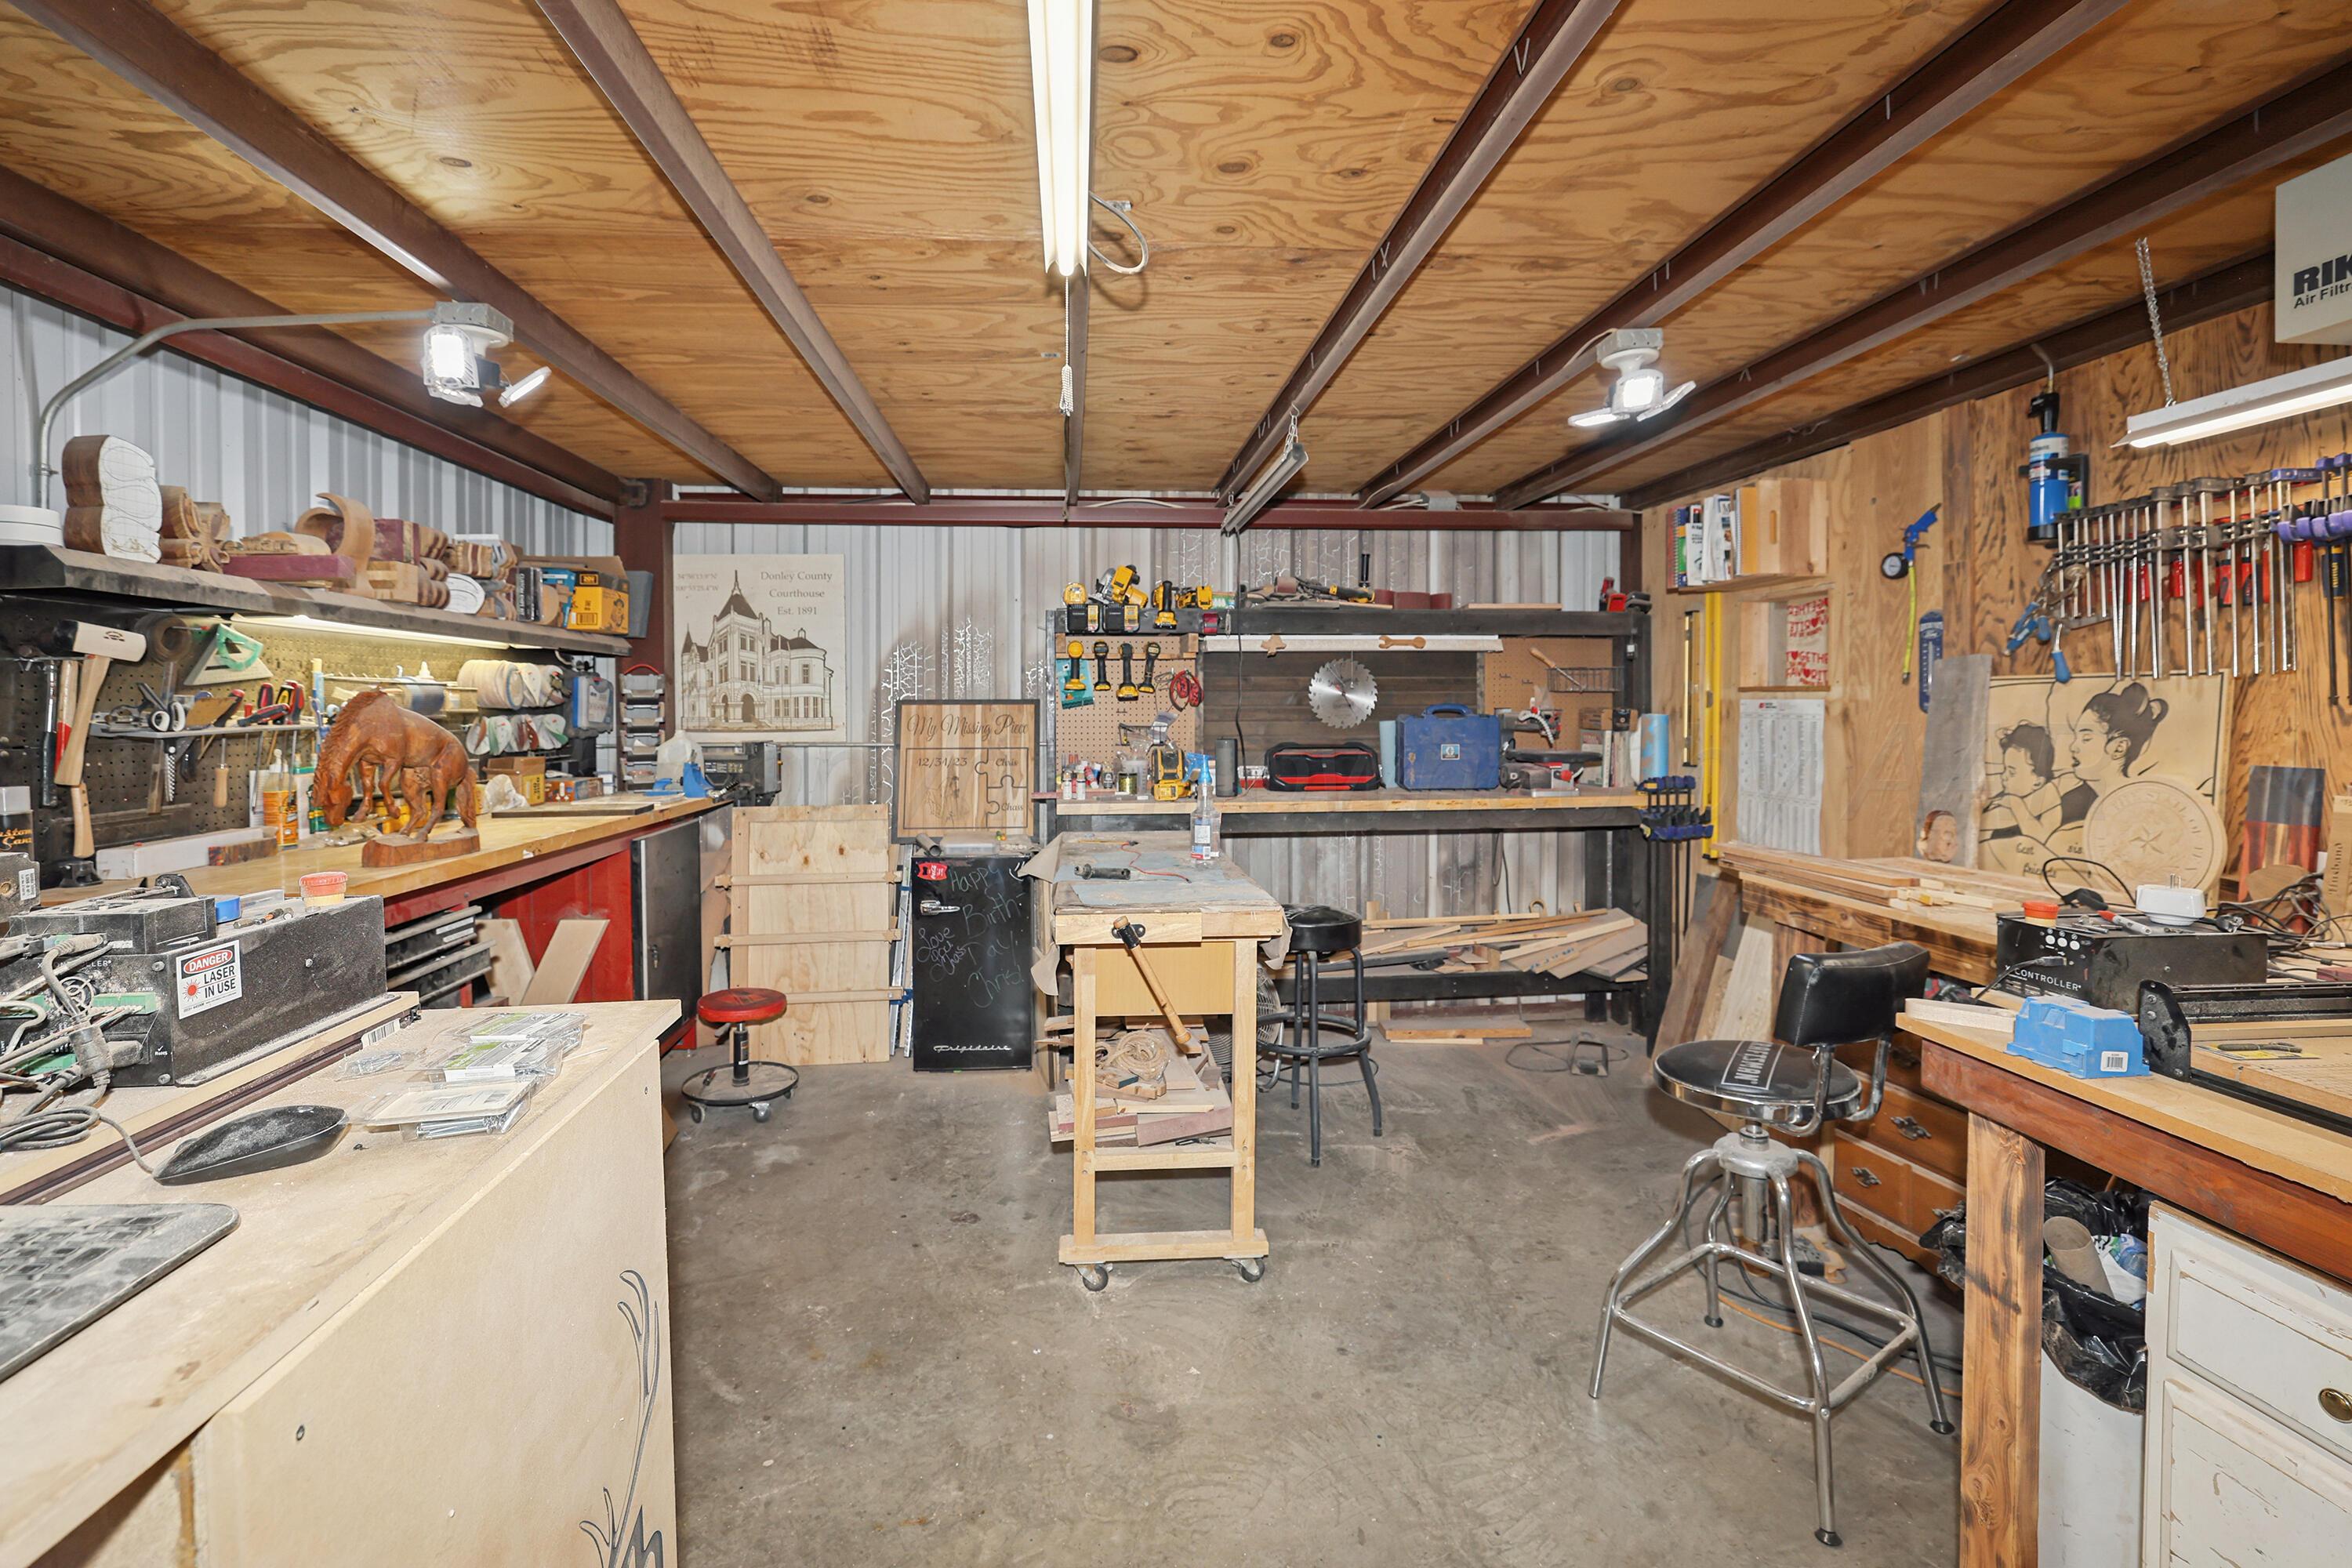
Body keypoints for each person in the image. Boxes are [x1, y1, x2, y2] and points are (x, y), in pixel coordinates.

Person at [1980, 722, 2066, 873]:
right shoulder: (2001, 799)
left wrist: (2016, 804)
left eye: (2012, 772)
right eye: (2005, 769)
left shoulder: (2049, 798)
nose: (2004, 776)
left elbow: (2042, 841)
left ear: (2037, 782)